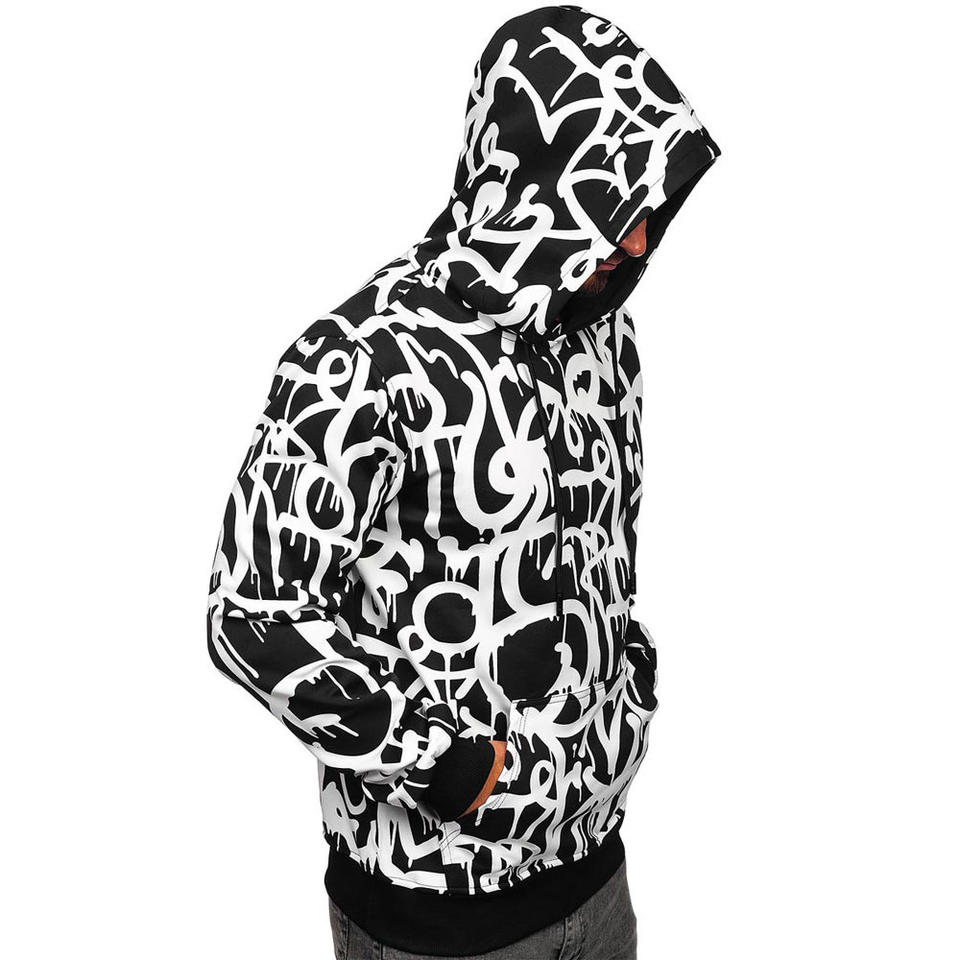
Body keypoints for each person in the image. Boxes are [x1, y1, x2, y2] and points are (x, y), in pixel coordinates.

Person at [207, 6, 719, 958]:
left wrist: (628, 685)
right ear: (531, 178)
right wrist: (443, 765)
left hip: (599, 876)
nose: (638, 243)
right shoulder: (364, 358)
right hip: (435, 919)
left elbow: (608, 544)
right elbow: (251, 614)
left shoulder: (603, 338)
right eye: (614, 204)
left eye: (648, 205)